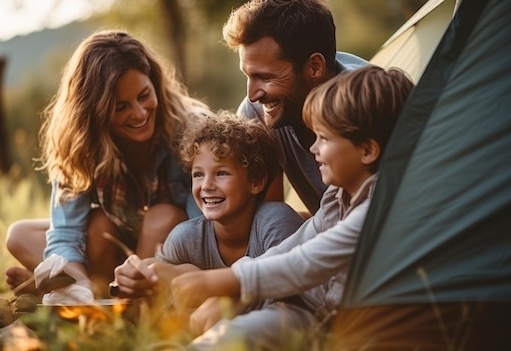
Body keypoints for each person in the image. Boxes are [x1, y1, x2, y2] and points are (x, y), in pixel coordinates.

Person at [171, 65, 415, 350]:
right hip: (308, 313)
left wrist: (221, 282)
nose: (313, 149)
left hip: (352, 330)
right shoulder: (339, 196)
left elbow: (306, 263)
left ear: (367, 150)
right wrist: (234, 292)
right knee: (223, 339)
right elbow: (293, 247)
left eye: (324, 138)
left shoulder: (380, 209)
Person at [5, 29, 212, 297]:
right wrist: (79, 283)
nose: (139, 113)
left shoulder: (191, 129)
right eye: (120, 106)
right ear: (95, 111)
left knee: (162, 216)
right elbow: (66, 234)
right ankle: (89, 290)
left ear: (155, 83)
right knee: (21, 234)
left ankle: (132, 301)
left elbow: (204, 230)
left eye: (144, 95)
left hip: (169, 251)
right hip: (116, 248)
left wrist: (155, 268)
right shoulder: (81, 144)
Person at [111, 111, 303, 304]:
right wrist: (139, 276)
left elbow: (292, 294)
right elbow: (156, 277)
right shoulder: (186, 237)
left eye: (221, 173)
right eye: (198, 175)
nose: (206, 186)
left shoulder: (276, 222)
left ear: (256, 181)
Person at [223, 0, 368, 215]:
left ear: (315, 67)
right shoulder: (256, 114)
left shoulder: (370, 107)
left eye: (265, 76)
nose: (252, 95)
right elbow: (265, 218)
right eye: (248, 76)